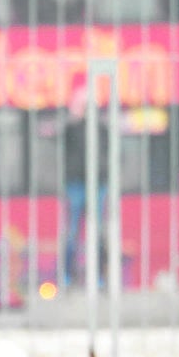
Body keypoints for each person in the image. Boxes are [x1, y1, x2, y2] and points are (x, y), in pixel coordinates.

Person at [62, 86, 108, 286]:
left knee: (98, 233)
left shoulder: (102, 129)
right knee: (72, 232)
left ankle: (99, 276)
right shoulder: (72, 128)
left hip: (97, 184)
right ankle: (67, 276)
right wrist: (75, 115)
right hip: (76, 185)